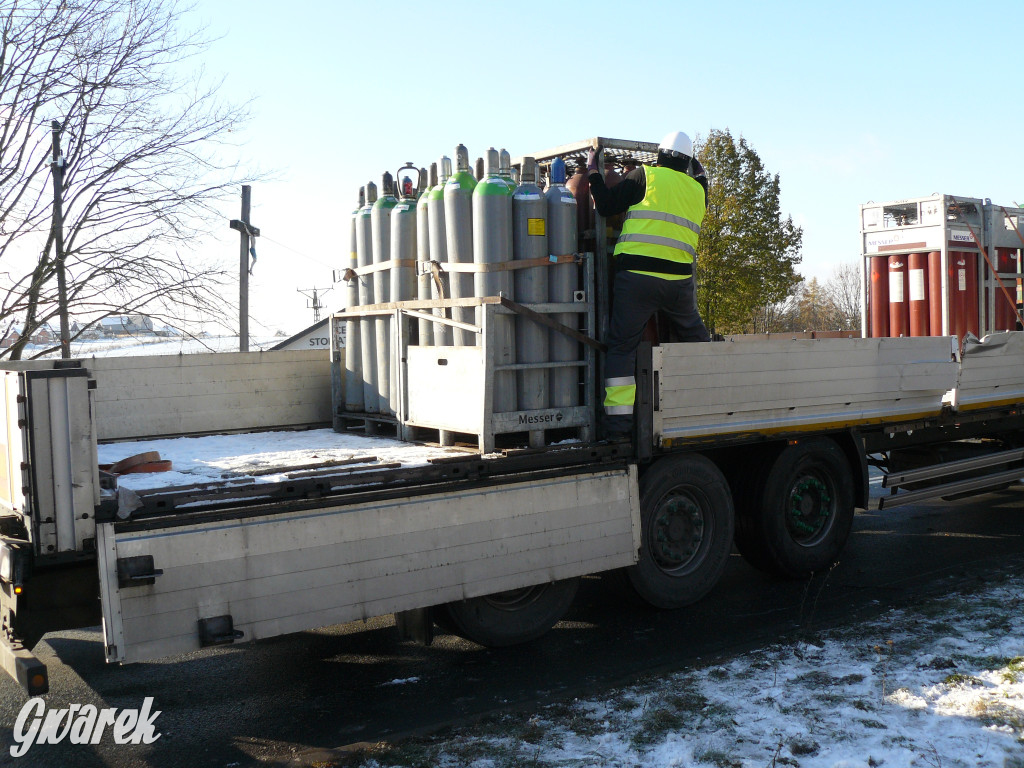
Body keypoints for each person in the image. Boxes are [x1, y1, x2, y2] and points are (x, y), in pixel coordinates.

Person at [587, 131, 711, 439]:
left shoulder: (646, 176)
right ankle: (709, 405)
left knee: (622, 349)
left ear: (660, 155)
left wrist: (592, 172)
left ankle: (618, 427)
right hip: (679, 284)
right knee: (697, 341)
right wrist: (701, 172)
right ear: (688, 163)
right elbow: (702, 178)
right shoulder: (698, 192)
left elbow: (604, 206)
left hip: (636, 282)